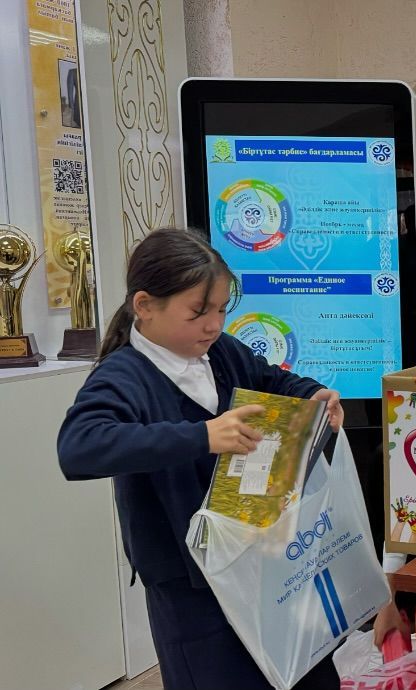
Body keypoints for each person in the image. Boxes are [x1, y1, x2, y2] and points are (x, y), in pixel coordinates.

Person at [57, 228, 345, 690]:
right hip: (191, 584)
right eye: (198, 312)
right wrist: (202, 436)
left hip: (264, 557)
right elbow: (79, 447)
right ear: (145, 306)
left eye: (221, 310)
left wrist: (315, 394)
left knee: (305, 672)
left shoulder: (220, 351)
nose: (213, 325)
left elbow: (274, 380)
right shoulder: (125, 375)